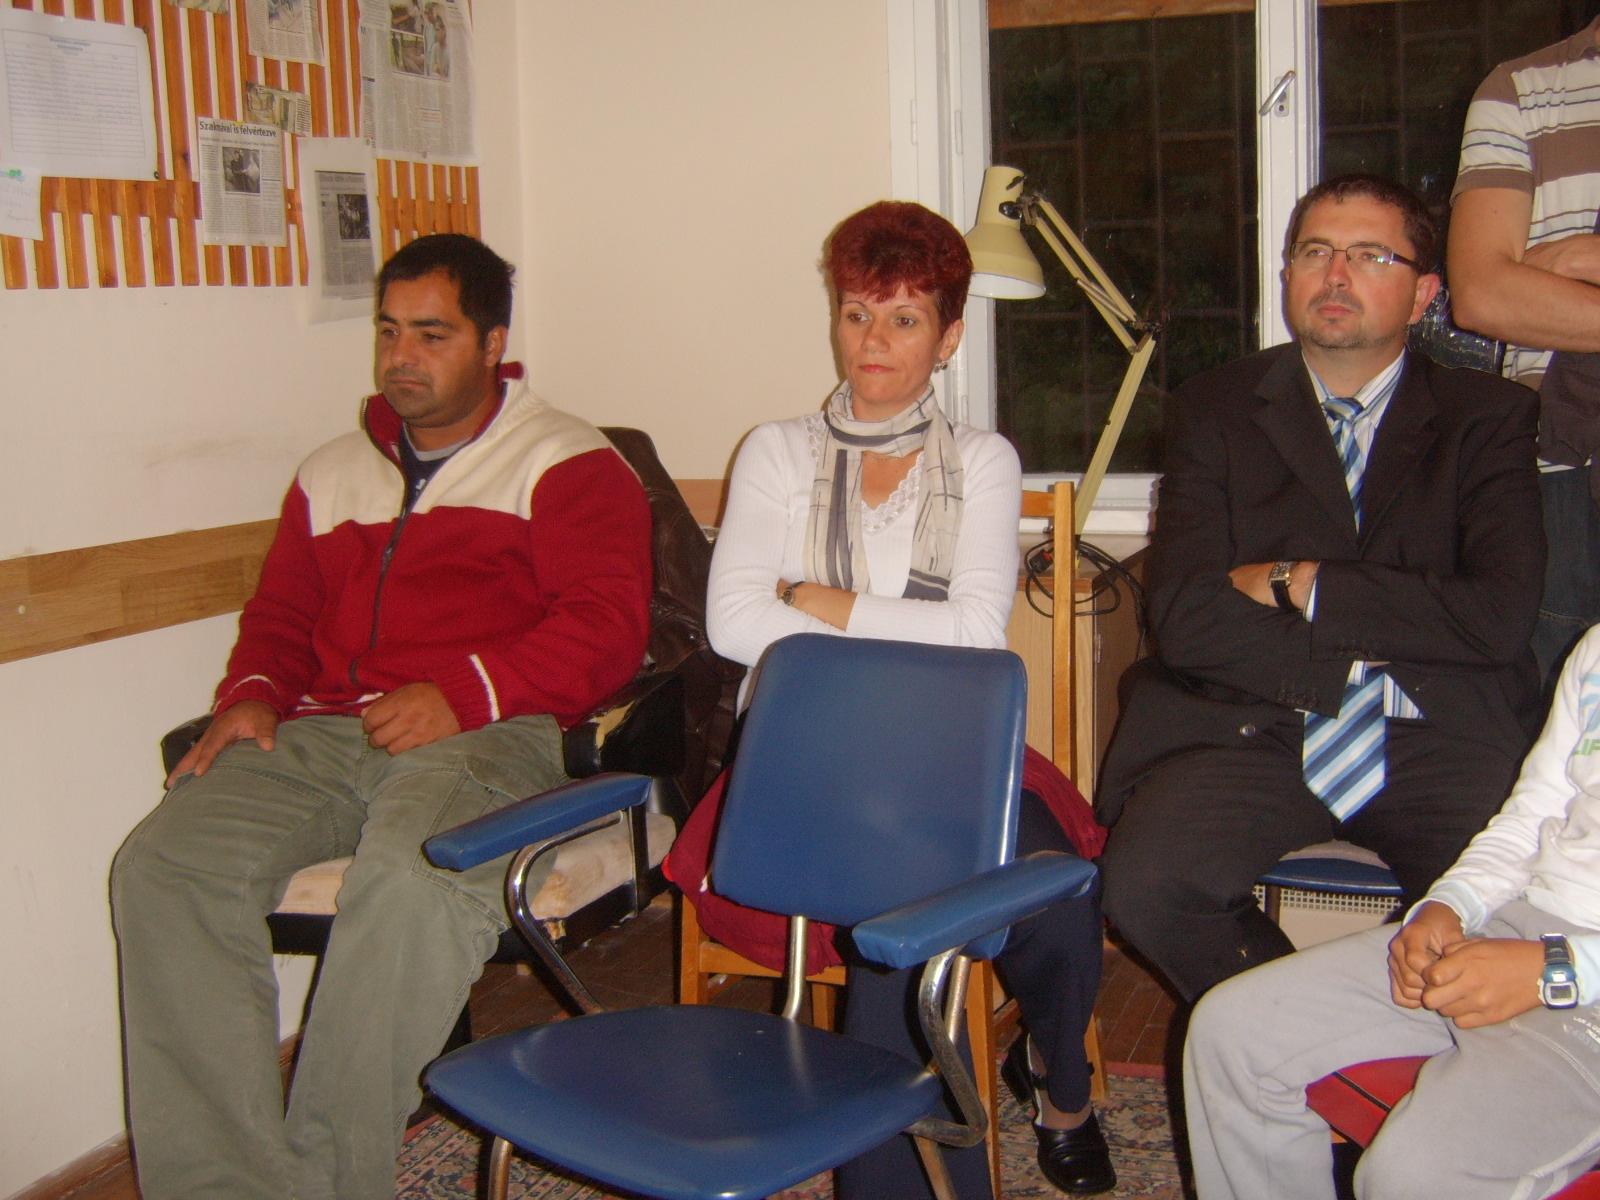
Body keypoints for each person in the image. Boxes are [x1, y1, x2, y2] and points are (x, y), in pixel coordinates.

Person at [109, 234, 653, 1200]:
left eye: (432, 336)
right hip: (327, 731)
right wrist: (251, 694)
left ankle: (326, 1185)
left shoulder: (568, 462)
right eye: (389, 332)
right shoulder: (329, 473)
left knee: (410, 882)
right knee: (164, 866)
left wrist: (465, 692)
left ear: (493, 344)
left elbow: (606, 630)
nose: (402, 357)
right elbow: (281, 616)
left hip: (493, 729)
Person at [665, 200, 1113, 1197]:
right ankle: (904, 1152)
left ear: (947, 338)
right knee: (909, 942)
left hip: (948, 757)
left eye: (904, 318)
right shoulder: (776, 450)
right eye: (857, 312)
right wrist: (896, 631)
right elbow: (731, 625)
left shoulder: (984, 461)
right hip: (806, 762)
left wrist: (817, 601)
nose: (873, 340)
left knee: (1061, 892)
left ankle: (1060, 1086)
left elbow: (976, 633)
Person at [1095, 175, 1546, 1005]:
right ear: (1288, 275)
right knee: (1148, 884)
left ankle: (1370, 1052)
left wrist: (1303, 582)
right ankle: (1300, 1043)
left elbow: (1496, 618)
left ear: (1424, 295)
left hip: (1440, 730)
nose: (1336, 275)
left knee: (1510, 912)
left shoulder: (1488, 417)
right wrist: (1377, 641)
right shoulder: (1214, 409)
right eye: (1315, 252)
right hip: (1254, 724)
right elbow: (1187, 618)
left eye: (1370, 255)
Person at [1184, 616, 1600, 1200]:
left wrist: (1561, 969)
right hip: (1522, 921)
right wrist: (1450, 903)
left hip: (1582, 977)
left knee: (1414, 1174)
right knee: (1231, 1032)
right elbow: (1535, 814)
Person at [1447, 16, 1600, 695]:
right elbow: (1482, 294)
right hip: (1564, 475)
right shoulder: (1523, 89)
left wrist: (1567, 259)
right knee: (1558, 729)